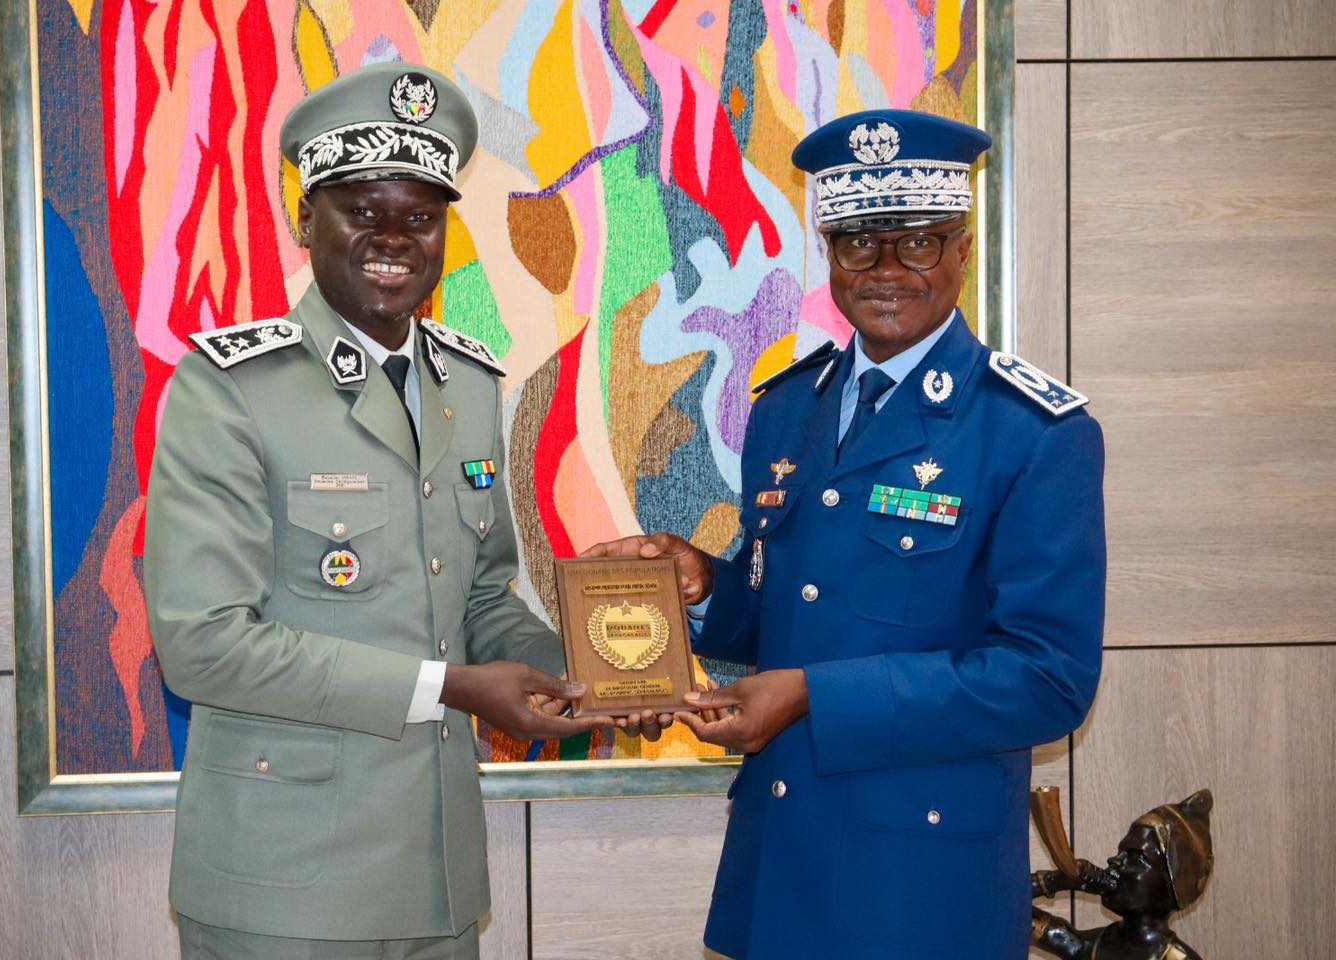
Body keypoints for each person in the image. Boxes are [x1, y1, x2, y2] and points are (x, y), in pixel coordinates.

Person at [588, 109, 1107, 959]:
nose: (888, 269)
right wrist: (705, 585)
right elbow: (785, 613)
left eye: (920, 242)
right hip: (780, 858)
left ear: (963, 248)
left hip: (923, 890)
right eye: (860, 242)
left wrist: (810, 697)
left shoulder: (1033, 432)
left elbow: (1049, 682)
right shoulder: (787, 409)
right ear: (828, 252)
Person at [144, 62, 609, 960]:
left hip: (435, 879)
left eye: (421, 217)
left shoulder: (467, 383)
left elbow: (480, 595)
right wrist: (452, 689)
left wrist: (585, 675)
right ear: (304, 217)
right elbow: (203, 644)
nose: (394, 238)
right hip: (284, 886)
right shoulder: (230, 388)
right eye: (362, 211)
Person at [1031, 789, 1214, 959]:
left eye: (1136, 858)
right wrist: (1056, 881)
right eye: (1121, 853)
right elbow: (1011, 911)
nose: (1115, 860)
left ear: (1173, 885)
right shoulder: (1091, 947)